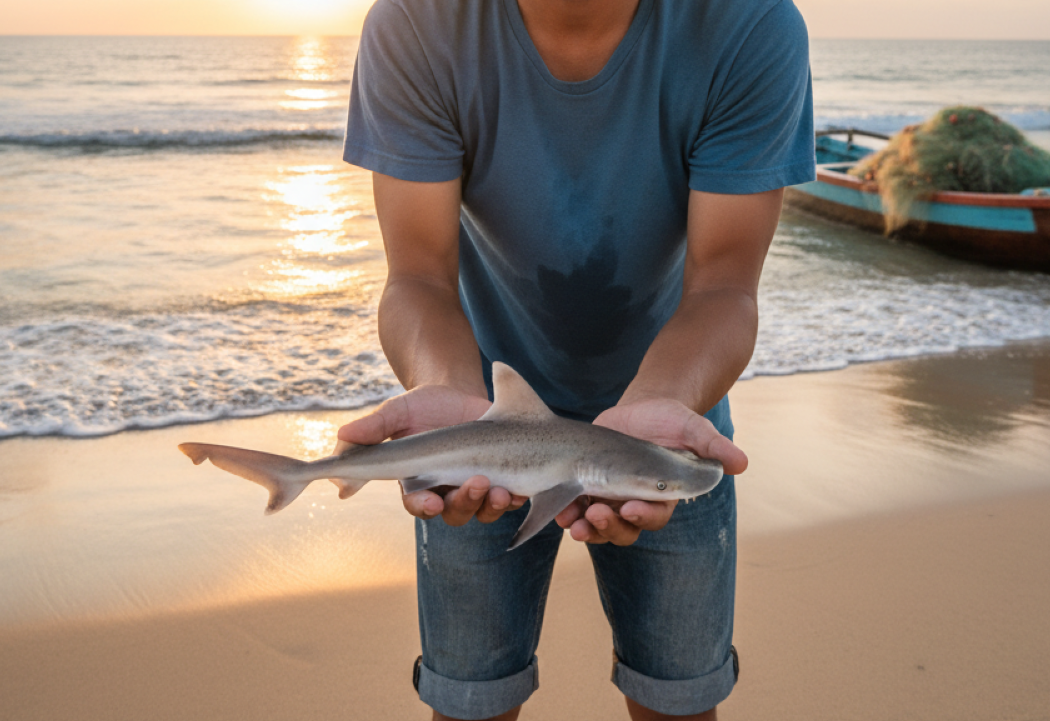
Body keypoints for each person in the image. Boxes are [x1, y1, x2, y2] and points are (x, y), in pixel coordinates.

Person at [339, 0, 814, 718]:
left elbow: (723, 285)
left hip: (668, 423)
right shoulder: (417, 21)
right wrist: (444, 389)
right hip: (483, 422)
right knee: (470, 705)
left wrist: (659, 410)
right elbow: (419, 277)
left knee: (680, 702)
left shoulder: (748, 24)